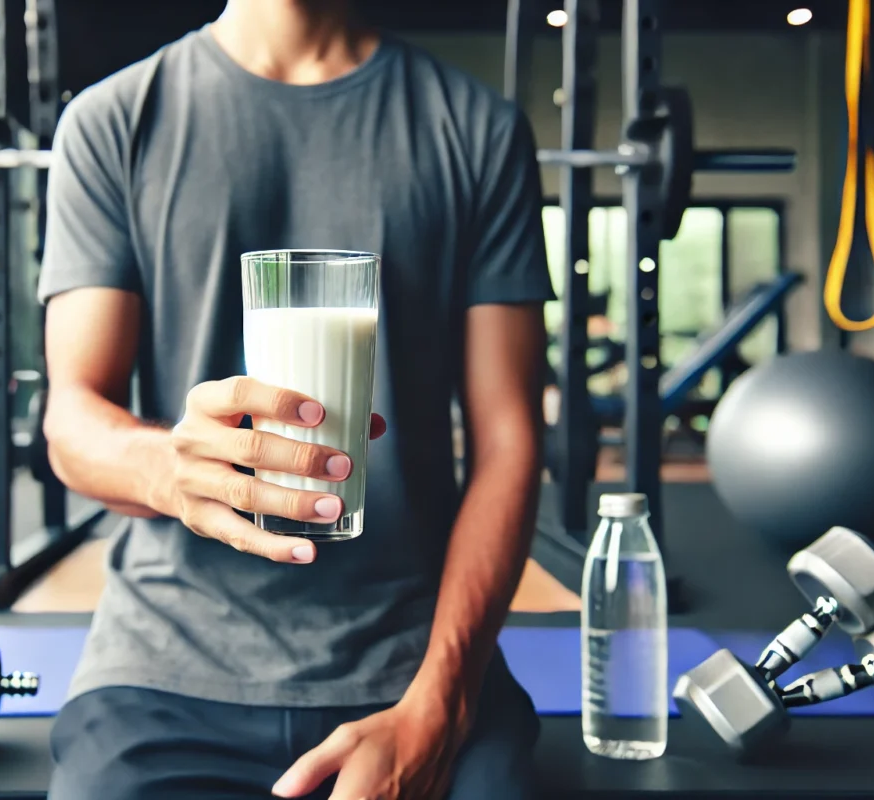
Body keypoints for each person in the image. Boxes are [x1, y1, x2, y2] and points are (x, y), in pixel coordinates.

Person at [38, 0, 554, 797]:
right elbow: (71, 420)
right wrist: (167, 469)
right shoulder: (112, 120)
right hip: (167, 667)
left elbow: (510, 442)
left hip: (412, 662)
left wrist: (440, 703)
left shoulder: (475, 127)